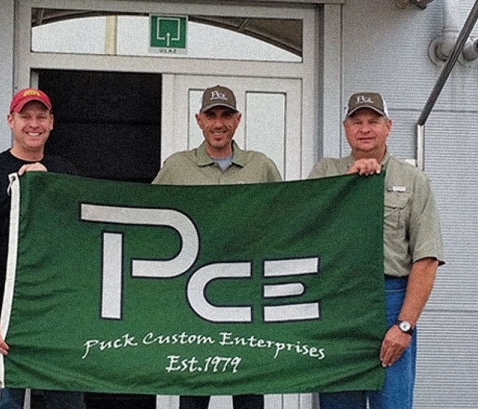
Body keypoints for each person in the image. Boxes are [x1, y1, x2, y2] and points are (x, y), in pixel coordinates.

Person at [308, 92, 445, 409]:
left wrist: (404, 325)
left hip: (390, 302)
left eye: (373, 121)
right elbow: (308, 231)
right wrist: (345, 185)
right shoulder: (325, 173)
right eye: (357, 121)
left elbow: (426, 259)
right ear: (345, 128)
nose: (365, 129)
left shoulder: (413, 180)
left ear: (389, 126)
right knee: (338, 402)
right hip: (337, 301)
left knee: (392, 403)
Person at [0, 88, 85, 409]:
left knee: (67, 404)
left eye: (41, 116)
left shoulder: (65, 173)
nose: (34, 124)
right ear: (10, 120)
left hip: (59, 320)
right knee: (6, 405)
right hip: (7, 321)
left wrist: (48, 188)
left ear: (52, 122)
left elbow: (83, 239)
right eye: (25, 116)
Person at [153, 85, 282, 409]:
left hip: (247, 298)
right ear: (199, 120)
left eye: (226, 115)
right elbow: (149, 221)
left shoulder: (261, 166)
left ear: (238, 119)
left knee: (250, 392)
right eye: (211, 115)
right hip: (194, 300)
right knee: (194, 394)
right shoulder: (176, 167)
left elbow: (285, 221)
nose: (218, 123)